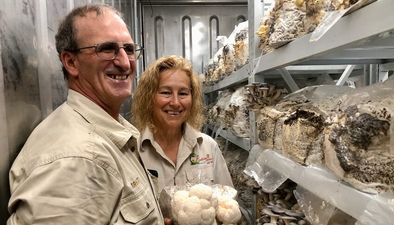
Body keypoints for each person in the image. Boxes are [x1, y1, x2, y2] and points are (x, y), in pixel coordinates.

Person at [7, 4, 164, 225]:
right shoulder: (76, 160)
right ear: (71, 62)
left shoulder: (106, 133)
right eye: (107, 49)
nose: (124, 62)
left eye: (129, 49)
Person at [132, 55, 233, 197]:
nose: (175, 102)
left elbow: (228, 204)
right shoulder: (133, 152)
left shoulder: (208, 147)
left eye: (183, 93)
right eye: (166, 92)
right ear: (149, 98)